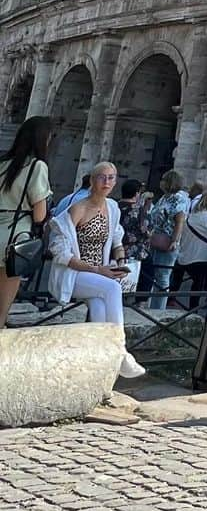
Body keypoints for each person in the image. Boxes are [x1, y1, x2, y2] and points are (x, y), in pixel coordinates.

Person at [49, 161, 145, 379]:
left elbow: (116, 238)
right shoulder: (77, 209)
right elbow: (60, 252)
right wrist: (99, 270)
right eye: (102, 177)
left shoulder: (112, 208)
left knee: (100, 308)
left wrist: (119, 260)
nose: (107, 182)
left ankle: (101, 367)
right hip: (74, 274)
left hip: (99, 274)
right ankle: (121, 352)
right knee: (112, 289)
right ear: (92, 180)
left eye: (112, 177)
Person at [0, 115, 52, 328]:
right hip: (14, 238)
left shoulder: (2, 164)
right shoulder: (37, 166)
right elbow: (39, 214)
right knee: (2, 306)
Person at [145, 170, 190, 312]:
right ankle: (152, 305)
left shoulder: (179, 198)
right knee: (155, 275)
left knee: (163, 275)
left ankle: (159, 309)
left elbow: (179, 220)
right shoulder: (165, 197)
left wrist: (175, 241)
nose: (161, 182)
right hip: (156, 239)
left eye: (164, 179)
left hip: (168, 241)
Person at [174, 189, 207, 310]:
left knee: (197, 283)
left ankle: (193, 309)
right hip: (205, 258)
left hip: (185, 259)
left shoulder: (189, 216)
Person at [116, 179, 153, 291]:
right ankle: (139, 301)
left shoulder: (113, 206)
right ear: (137, 193)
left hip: (114, 249)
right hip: (135, 251)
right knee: (147, 274)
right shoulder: (139, 211)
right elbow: (147, 231)